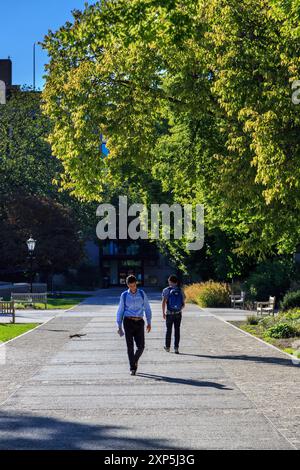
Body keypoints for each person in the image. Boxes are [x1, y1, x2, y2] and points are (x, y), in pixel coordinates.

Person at [116, 275, 152, 375]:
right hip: (128, 321)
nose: (133, 288)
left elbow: (147, 308)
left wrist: (149, 322)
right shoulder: (124, 295)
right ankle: (133, 368)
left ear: (136, 283)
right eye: (130, 286)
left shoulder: (142, 293)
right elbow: (120, 310)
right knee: (130, 346)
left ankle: (134, 361)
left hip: (140, 322)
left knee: (141, 346)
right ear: (127, 285)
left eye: (134, 285)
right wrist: (119, 325)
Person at [162, 275, 185, 354]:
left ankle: (167, 347)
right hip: (178, 314)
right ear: (176, 282)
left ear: (170, 281)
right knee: (177, 330)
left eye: (169, 281)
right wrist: (178, 310)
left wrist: (163, 313)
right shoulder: (180, 290)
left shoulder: (166, 290)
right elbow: (183, 304)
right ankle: (176, 348)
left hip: (169, 313)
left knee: (169, 330)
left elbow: (163, 302)